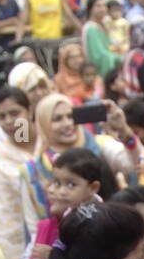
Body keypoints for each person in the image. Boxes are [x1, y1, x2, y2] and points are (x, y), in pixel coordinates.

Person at [19, 92, 136, 240]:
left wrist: (123, 129)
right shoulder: (33, 171)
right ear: (43, 124)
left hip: (110, 240)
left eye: (70, 116)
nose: (67, 123)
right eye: (57, 119)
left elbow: (134, 164)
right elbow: (33, 226)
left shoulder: (99, 145)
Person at [0, 85, 39, 259]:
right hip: (29, 247)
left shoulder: (50, 138)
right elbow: (2, 213)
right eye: (2, 116)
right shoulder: (2, 162)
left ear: (30, 110)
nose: (9, 121)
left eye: (15, 113)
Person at [81, 0, 121, 79]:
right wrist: (119, 59)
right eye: (98, 6)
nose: (102, 9)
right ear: (90, 9)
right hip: (100, 70)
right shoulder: (91, 28)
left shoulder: (104, 25)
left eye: (104, 6)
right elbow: (99, 55)